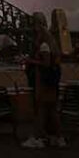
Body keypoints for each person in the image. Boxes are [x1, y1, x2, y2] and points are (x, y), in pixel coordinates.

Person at [21, 12, 65, 149]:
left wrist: (29, 61)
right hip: (51, 81)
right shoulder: (50, 40)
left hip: (44, 81)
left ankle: (38, 139)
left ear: (37, 25)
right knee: (51, 110)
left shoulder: (44, 43)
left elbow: (46, 63)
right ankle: (58, 138)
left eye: (32, 25)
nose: (32, 29)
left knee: (40, 109)